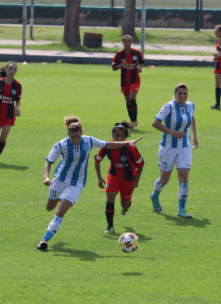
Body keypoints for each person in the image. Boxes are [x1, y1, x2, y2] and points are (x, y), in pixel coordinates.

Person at [37, 116, 142, 251]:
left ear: (82, 133)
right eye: (72, 137)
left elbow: (108, 144)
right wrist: (46, 177)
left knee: (60, 210)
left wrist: (128, 143)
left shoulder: (89, 141)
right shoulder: (60, 145)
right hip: (59, 180)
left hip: (77, 184)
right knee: (49, 207)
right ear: (68, 135)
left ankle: (44, 240)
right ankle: (59, 198)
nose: (75, 140)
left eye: (78, 136)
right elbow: (49, 162)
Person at [150, 83, 198, 219]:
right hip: (168, 147)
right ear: (175, 94)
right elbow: (155, 123)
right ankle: (155, 195)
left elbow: (192, 119)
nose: (182, 96)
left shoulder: (190, 105)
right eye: (180, 93)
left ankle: (182, 209)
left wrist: (195, 136)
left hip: (185, 146)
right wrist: (172, 132)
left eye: (185, 94)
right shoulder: (168, 106)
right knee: (165, 179)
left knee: (184, 175)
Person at [94, 121, 145, 234]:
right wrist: (99, 178)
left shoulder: (131, 148)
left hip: (129, 178)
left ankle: (127, 204)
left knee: (124, 203)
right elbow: (97, 161)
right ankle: (110, 226)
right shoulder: (106, 146)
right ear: (112, 135)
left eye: (122, 136)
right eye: (116, 135)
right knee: (110, 198)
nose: (118, 138)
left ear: (125, 137)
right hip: (114, 175)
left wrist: (137, 180)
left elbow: (141, 165)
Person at [0, 61, 22, 165]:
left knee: (3, 137)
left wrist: (18, 108)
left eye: (14, 69)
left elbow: (18, 99)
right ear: (5, 70)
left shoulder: (18, 85)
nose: (12, 71)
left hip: (9, 115)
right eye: (10, 68)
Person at [111, 35, 145, 130]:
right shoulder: (119, 54)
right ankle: (133, 122)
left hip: (135, 79)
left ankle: (135, 122)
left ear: (131, 42)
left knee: (132, 98)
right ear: (123, 43)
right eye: (125, 41)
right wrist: (122, 65)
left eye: (129, 41)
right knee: (128, 101)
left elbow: (142, 62)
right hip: (124, 81)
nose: (127, 43)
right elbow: (113, 67)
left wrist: (140, 68)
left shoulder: (136, 53)